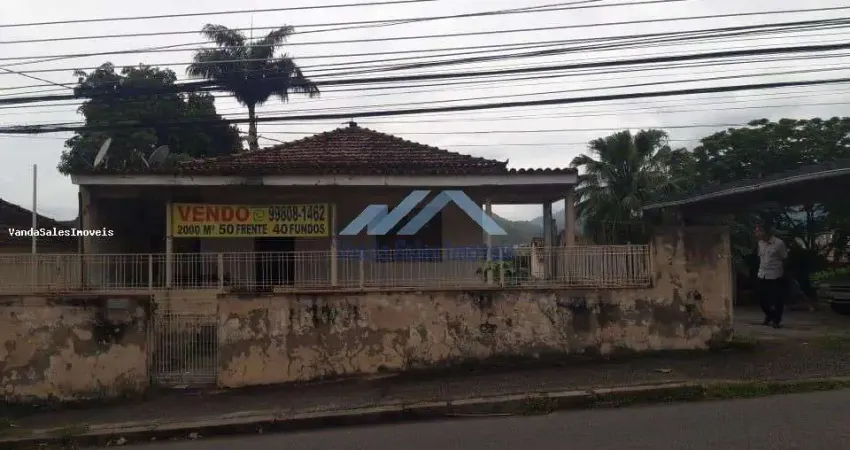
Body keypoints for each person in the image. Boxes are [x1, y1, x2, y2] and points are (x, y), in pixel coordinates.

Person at [755, 224, 789, 328]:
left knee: (777, 300)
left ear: (765, 232)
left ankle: (776, 320)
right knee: (761, 300)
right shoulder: (760, 243)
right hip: (762, 274)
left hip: (775, 275)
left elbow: (785, 258)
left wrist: (785, 274)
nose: (756, 234)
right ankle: (771, 315)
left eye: (758, 231)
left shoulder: (779, 244)